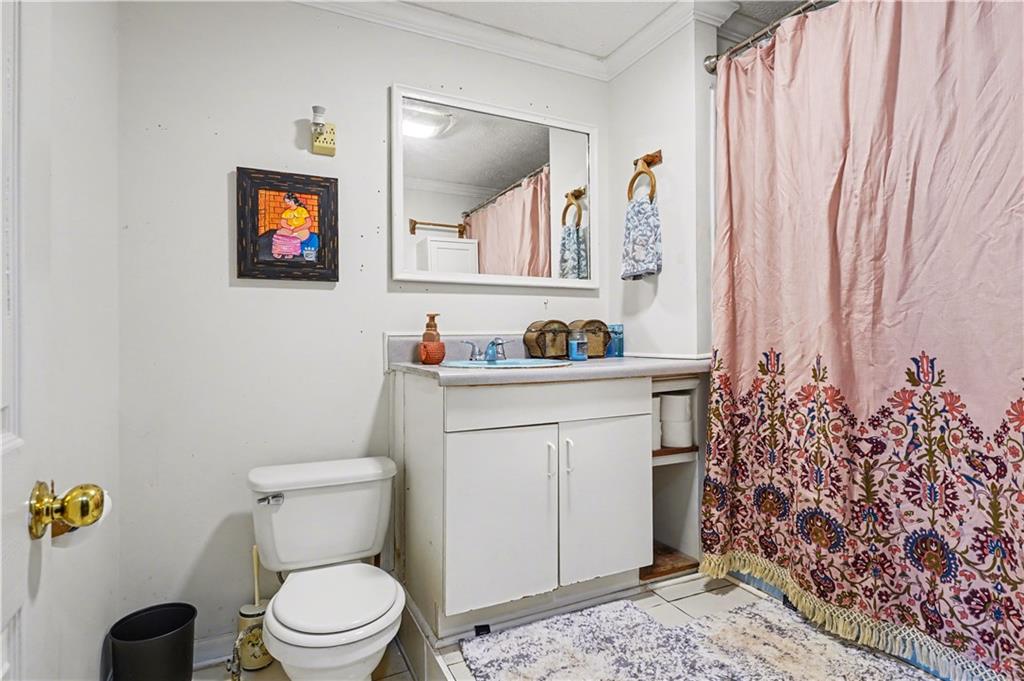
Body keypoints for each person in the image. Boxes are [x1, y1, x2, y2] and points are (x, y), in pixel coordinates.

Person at [272, 193, 317, 260]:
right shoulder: (287, 212)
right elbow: (283, 222)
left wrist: (297, 229)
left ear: (293, 200)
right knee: (279, 232)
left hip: (301, 229)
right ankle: (278, 251)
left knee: (293, 236)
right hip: (291, 229)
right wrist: (289, 227)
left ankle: (290, 252)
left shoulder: (302, 210)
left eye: (288, 201)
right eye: (286, 202)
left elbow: (308, 223)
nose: (287, 203)